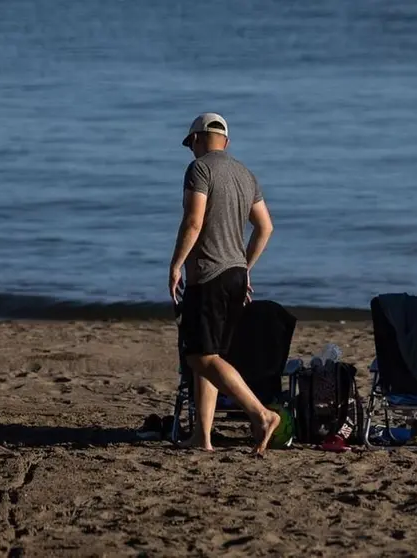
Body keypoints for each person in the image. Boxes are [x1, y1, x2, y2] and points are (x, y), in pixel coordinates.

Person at [168, 112, 279, 456]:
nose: (191, 151)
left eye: (191, 144)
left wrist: (175, 266)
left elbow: (193, 221)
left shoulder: (200, 169)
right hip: (235, 276)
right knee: (211, 354)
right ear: (226, 143)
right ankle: (203, 437)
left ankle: (261, 414)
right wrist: (245, 267)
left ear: (198, 140)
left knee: (199, 357)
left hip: (209, 275)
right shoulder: (246, 175)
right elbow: (265, 228)